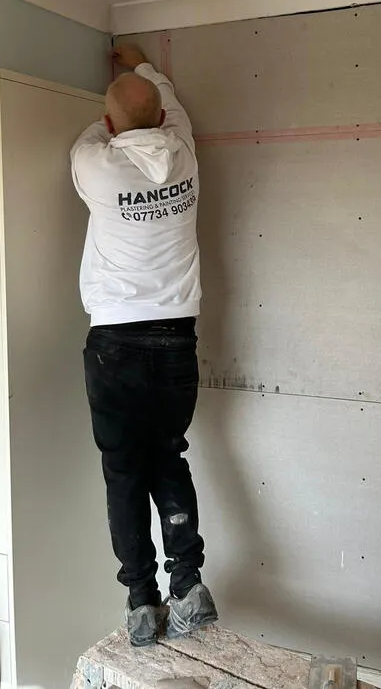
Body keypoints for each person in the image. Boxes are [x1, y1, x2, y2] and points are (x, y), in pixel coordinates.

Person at [70, 43, 217, 647]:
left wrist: (120, 99)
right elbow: (168, 105)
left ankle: (140, 601)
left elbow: (97, 133)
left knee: (125, 471)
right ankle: (188, 585)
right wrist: (142, 68)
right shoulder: (183, 152)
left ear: (111, 125)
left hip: (116, 343)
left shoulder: (94, 161)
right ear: (160, 119)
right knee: (168, 458)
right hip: (176, 338)